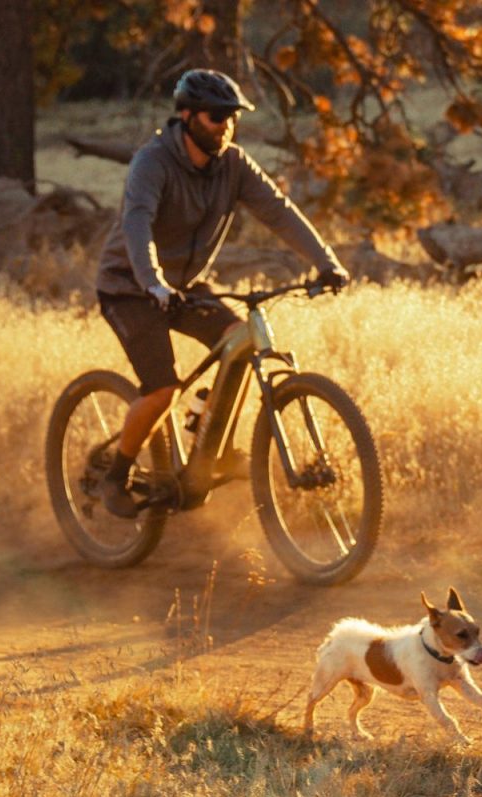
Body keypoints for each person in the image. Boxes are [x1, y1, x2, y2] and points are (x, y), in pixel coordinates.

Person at [91, 68, 350, 518]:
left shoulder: (233, 163)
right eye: (216, 116)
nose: (226, 126)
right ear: (188, 116)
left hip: (184, 287)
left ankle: (210, 442)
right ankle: (116, 475)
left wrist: (326, 261)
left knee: (237, 341)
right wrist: (152, 282)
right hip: (130, 286)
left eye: (233, 117)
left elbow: (279, 212)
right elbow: (137, 223)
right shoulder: (152, 162)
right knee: (161, 388)